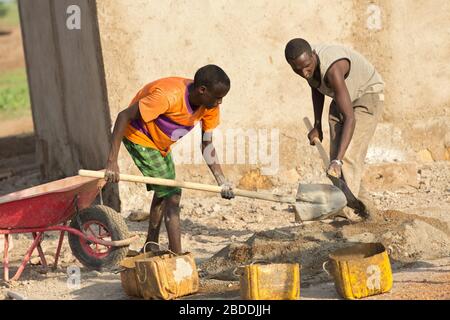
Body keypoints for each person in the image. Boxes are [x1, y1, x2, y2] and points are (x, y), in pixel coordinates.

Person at [104, 65, 235, 253]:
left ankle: (151, 245)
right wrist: (112, 161)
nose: (220, 102)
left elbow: (207, 144)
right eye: (217, 97)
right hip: (138, 135)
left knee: (163, 190)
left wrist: (222, 181)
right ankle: (177, 255)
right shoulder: (167, 96)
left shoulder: (209, 105)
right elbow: (124, 116)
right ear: (202, 90)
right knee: (172, 193)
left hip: (161, 143)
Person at [285, 38, 384, 221]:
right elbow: (315, 87)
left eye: (307, 66)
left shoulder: (333, 69)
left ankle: (345, 214)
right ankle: (365, 211)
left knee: (346, 157)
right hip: (343, 98)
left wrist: (338, 160)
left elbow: (350, 118)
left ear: (313, 56)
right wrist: (317, 126)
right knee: (334, 164)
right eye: (297, 69)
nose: (304, 73)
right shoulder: (306, 66)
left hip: (366, 96)